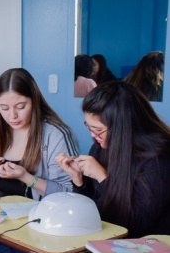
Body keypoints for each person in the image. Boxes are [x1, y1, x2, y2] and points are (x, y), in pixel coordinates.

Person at [56, 81, 170, 238]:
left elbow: (135, 225)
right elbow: (89, 210)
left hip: (146, 248)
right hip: (104, 237)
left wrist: (102, 177)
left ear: (122, 127)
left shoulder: (158, 158)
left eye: (98, 130)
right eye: (89, 127)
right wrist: (79, 181)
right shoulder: (100, 147)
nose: (92, 135)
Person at [0, 68, 79, 200]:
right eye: (4, 108)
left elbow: (69, 193)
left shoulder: (56, 136)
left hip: (37, 216)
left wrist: (26, 177)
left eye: (20, 107)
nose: (12, 115)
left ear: (34, 101)